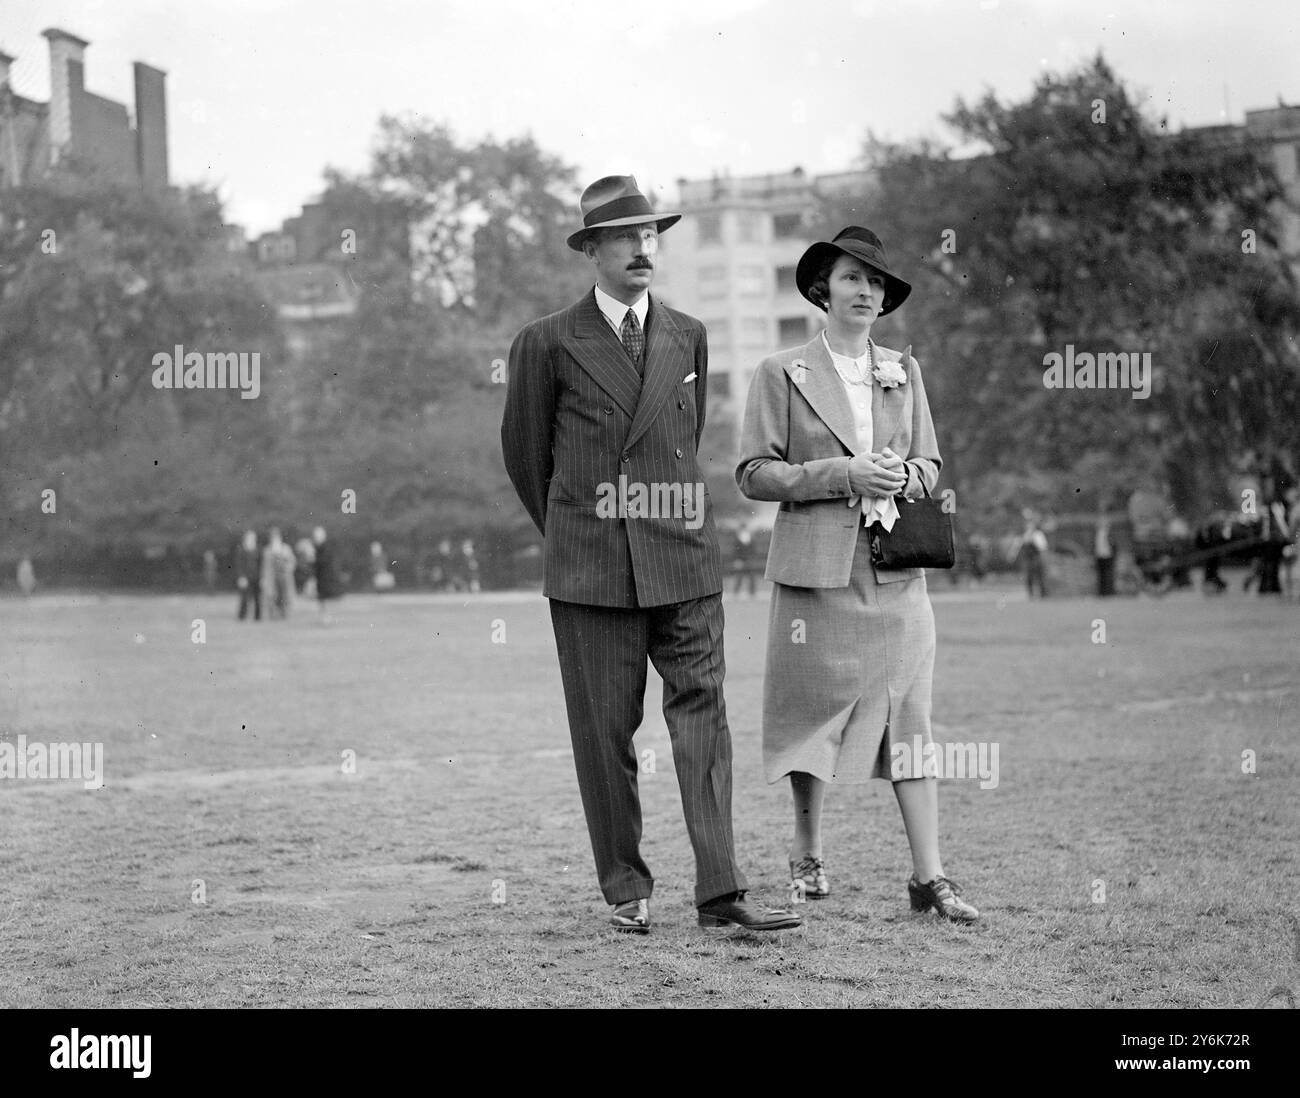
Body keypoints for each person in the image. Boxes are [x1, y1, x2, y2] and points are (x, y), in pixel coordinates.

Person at [501, 174, 799, 934]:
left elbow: (681, 445)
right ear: (592, 250)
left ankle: (721, 892)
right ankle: (626, 888)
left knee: (705, 722)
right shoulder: (545, 343)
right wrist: (581, 531)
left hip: (684, 563)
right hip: (591, 571)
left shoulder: (687, 333)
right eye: (626, 237)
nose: (643, 247)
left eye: (651, 234)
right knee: (605, 735)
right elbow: (529, 460)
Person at [736, 225, 979, 923]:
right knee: (811, 712)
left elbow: (930, 466)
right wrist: (844, 472)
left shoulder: (905, 369)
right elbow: (754, 473)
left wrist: (901, 473)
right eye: (852, 279)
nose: (866, 292)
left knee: (911, 714)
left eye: (875, 283)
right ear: (822, 289)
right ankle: (807, 854)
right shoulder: (781, 372)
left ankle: (929, 876)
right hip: (817, 576)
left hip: (896, 573)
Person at [312, 526, 342, 622]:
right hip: (321, 577)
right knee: (322, 599)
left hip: (326, 578)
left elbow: (322, 561)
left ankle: (327, 617)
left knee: (325, 599)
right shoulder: (318, 547)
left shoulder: (325, 547)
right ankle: (324, 616)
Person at [234, 530, 261, 621]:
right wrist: (241, 577)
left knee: (257, 598)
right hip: (245, 577)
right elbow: (239, 565)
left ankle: (257, 617)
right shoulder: (241, 550)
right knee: (244, 598)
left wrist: (261, 577)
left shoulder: (257, 549)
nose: (251, 539)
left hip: (256, 577)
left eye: (253, 538)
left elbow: (260, 564)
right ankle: (242, 616)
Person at [1021, 512, 1049, 599]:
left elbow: (1043, 548)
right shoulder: (1026, 535)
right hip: (1028, 559)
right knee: (1029, 578)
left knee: (1039, 577)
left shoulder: (1038, 535)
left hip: (1036, 559)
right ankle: (1031, 594)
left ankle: (1043, 594)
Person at [1094, 515, 1115, 596]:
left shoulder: (1109, 533)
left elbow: (1113, 544)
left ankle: (1108, 591)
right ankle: (1101, 592)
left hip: (1107, 555)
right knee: (1101, 575)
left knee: (1108, 574)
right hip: (1099, 555)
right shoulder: (1097, 533)